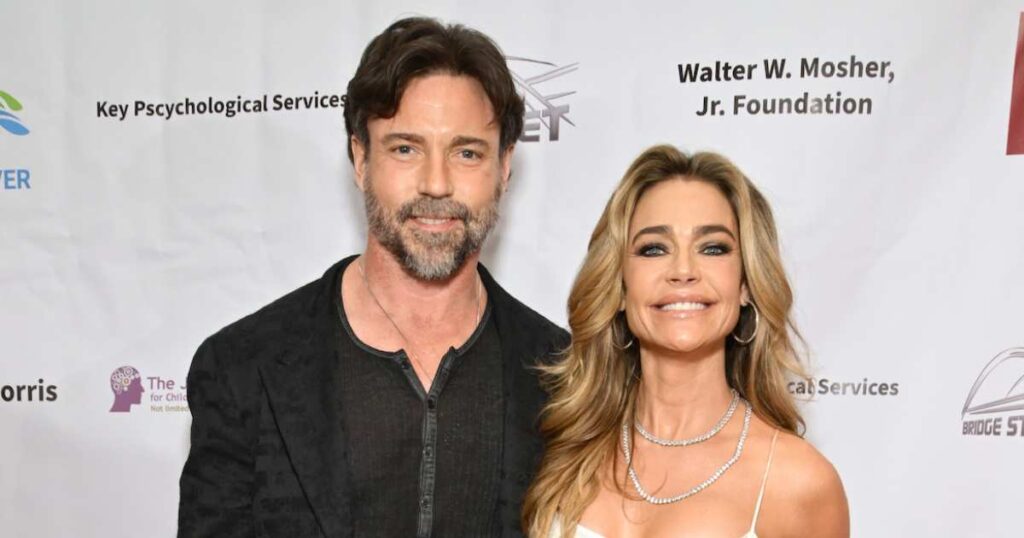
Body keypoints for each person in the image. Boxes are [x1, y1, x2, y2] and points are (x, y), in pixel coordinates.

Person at [178, 17, 567, 538]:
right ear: (360, 158)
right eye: (405, 148)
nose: (436, 184)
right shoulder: (243, 368)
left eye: (467, 152)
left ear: (504, 166)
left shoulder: (566, 377)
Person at [523, 145, 849, 537]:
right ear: (620, 286)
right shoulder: (564, 448)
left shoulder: (797, 482)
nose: (682, 270)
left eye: (712, 248)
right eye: (653, 249)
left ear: (745, 284)